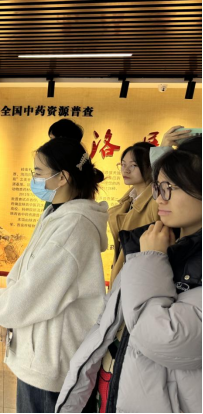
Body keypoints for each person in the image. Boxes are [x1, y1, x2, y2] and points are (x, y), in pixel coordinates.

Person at [57, 139, 202, 414]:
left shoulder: (151, 250)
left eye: (171, 188)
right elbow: (109, 322)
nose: (160, 198)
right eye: (158, 187)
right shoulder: (154, 239)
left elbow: (159, 337)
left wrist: (151, 259)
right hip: (115, 384)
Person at [0, 139, 109, 413]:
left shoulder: (73, 227)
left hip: (50, 362)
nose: (34, 179)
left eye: (38, 172)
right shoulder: (58, 215)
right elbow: (23, 271)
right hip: (41, 355)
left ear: (62, 177)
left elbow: (33, 292)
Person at [108, 143, 159, 287]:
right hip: (123, 279)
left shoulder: (156, 202)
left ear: (150, 167)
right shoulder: (128, 202)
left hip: (142, 280)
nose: (126, 170)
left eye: (133, 165)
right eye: (123, 164)